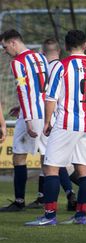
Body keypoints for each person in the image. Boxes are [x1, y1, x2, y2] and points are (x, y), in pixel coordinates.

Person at [25, 29, 86, 226]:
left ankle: (49, 216)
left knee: (51, 167)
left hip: (66, 123)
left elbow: (51, 97)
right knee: (84, 170)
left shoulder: (61, 66)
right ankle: (81, 216)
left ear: (65, 46)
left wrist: (47, 122)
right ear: (85, 45)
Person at [25, 38, 78, 211]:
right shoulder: (63, 67)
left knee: (51, 160)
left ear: (42, 51)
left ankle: (71, 193)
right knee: (49, 159)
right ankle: (44, 196)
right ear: (60, 51)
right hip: (58, 115)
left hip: (46, 117)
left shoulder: (43, 68)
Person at [0, 29, 49, 212]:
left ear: (13, 43)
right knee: (48, 158)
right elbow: (43, 87)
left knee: (19, 156)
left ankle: (19, 201)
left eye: (5, 47)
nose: (5, 51)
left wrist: (27, 118)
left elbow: (24, 91)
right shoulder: (41, 58)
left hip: (31, 115)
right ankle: (47, 198)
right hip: (46, 112)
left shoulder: (18, 62)